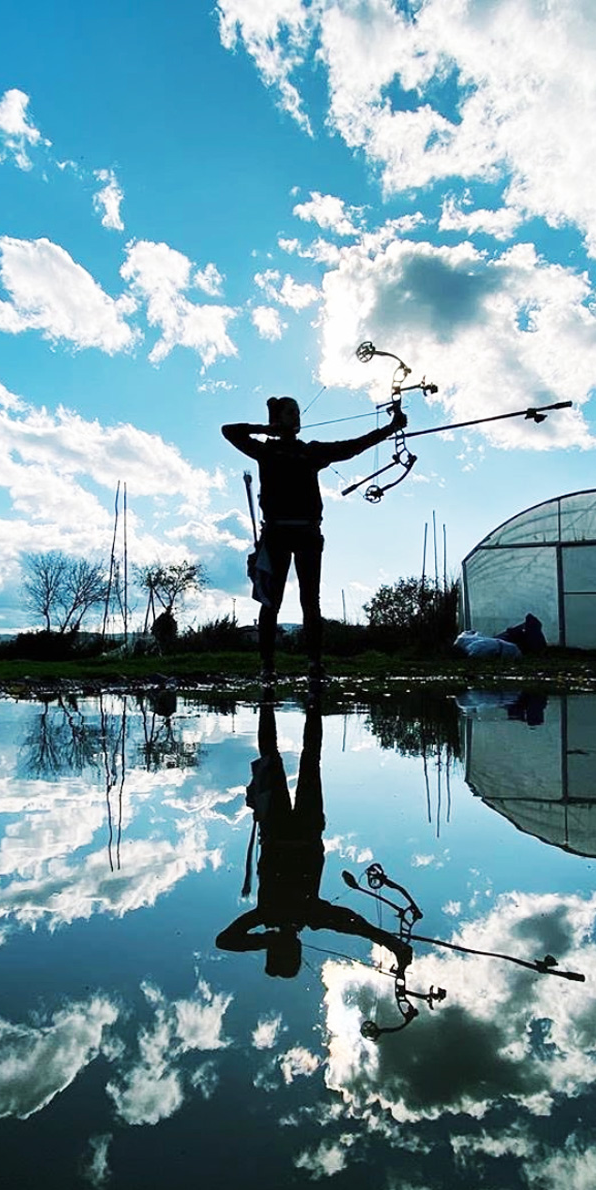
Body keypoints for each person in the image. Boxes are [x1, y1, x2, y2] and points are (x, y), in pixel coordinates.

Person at [216, 700, 412, 979]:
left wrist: (392, 943)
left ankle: (295, 696)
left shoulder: (298, 914)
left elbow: (225, 940)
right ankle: (288, 696)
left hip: (286, 828)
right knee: (297, 758)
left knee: (301, 758)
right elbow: (352, 924)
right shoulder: (283, 915)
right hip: (288, 828)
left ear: (293, 949)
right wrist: (391, 942)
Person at [223, 396, 406, 681]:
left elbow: (353, 447)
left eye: (297, 412)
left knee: (311, 601)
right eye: (290, 412)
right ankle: (268, 666)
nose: (296, 417)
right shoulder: (266, 451)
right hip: (277, 533)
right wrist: (264, 428)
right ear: (277, 418)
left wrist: (391, 428)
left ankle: (314, 664)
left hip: (307, 532)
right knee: (271, 602)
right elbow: (229, 431)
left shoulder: (311, 452)